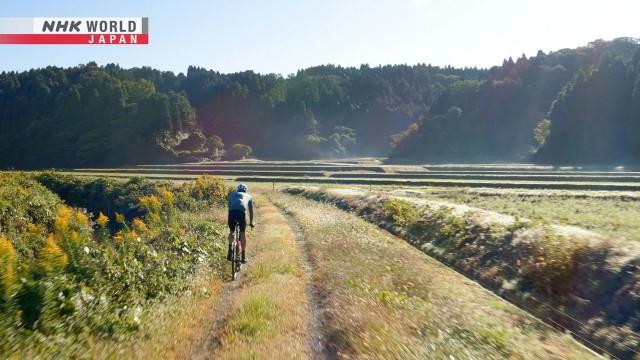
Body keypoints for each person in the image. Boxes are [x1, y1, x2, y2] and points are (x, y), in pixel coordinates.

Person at [227, 183, 254, 263]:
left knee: (232, 231)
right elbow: (251, 211)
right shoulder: (249, 196)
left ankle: (229, 251)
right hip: (241, 213)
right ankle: (243, 257)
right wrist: (251, 222)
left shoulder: (231, 195)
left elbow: (229, 207)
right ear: (245, 190)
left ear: (237, 190)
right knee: (242, 233)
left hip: (231, 213)